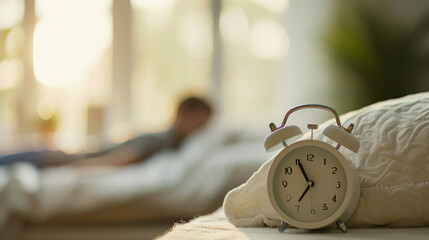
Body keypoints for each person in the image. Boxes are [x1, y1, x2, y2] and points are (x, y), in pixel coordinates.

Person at [0, 96, 212, 168]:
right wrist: (74, 167)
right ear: (183, 113)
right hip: (59, 159)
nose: (200, 130)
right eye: (199, 122)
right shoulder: (162, 141)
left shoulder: (168, 143)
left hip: (60, 158)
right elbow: (119, 160)